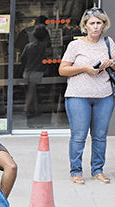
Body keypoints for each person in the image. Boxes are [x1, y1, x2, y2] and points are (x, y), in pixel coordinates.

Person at [59, 8, 114, 185]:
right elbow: (62, 69)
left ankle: (97, 170)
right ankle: (76, 171)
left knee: (100, 136)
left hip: (104, 96)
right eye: (92, 23)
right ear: (85, 25)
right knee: (78, 136)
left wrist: (110, 62)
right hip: (78, 96)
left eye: (99, 23)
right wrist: (85, 68)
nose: (96, 27)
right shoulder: (75, 45)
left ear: (104, 25)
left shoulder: (108, 42)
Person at [20, 25, 50, 123]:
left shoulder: (28, 46)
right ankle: (25, 110)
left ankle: (35, 109)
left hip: (27, 71)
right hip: (37, 72)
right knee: (31, 90)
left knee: (32, 90)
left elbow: (22, 59)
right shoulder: (44, 46)